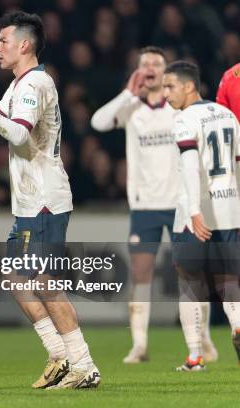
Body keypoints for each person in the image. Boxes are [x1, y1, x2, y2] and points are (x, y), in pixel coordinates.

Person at [0, 11, 100, 389]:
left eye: (2, 41)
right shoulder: (19, 85)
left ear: (24, 44)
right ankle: (60, 356)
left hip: (45, 199)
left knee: (45, 280)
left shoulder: (35, 84)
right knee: (16, 278)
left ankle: (83, 365)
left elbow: (17, 134)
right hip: (30, 201)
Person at [90, 47, 217, 364]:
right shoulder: (132, 108)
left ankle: (203, 339)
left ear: (166, 72)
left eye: (156, 64)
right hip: (145, 205)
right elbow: (98, 122)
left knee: (192, 273)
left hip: (181, 204)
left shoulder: (179, 108)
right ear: (138, 71)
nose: (149, 68)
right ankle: (140, 345)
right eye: (144, 63)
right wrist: (126, 93)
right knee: (141, 273)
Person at [163, 60, 240, 371]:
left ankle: (194, 357)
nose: (165, 94)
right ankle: (238, 327)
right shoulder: (229, 117)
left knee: (189, 282)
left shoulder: (184, 120)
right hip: (231, 212)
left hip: (195, 215)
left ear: (188, 86)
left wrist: (194, 211)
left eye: (170, 87)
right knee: (229, 282)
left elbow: (190, 168)